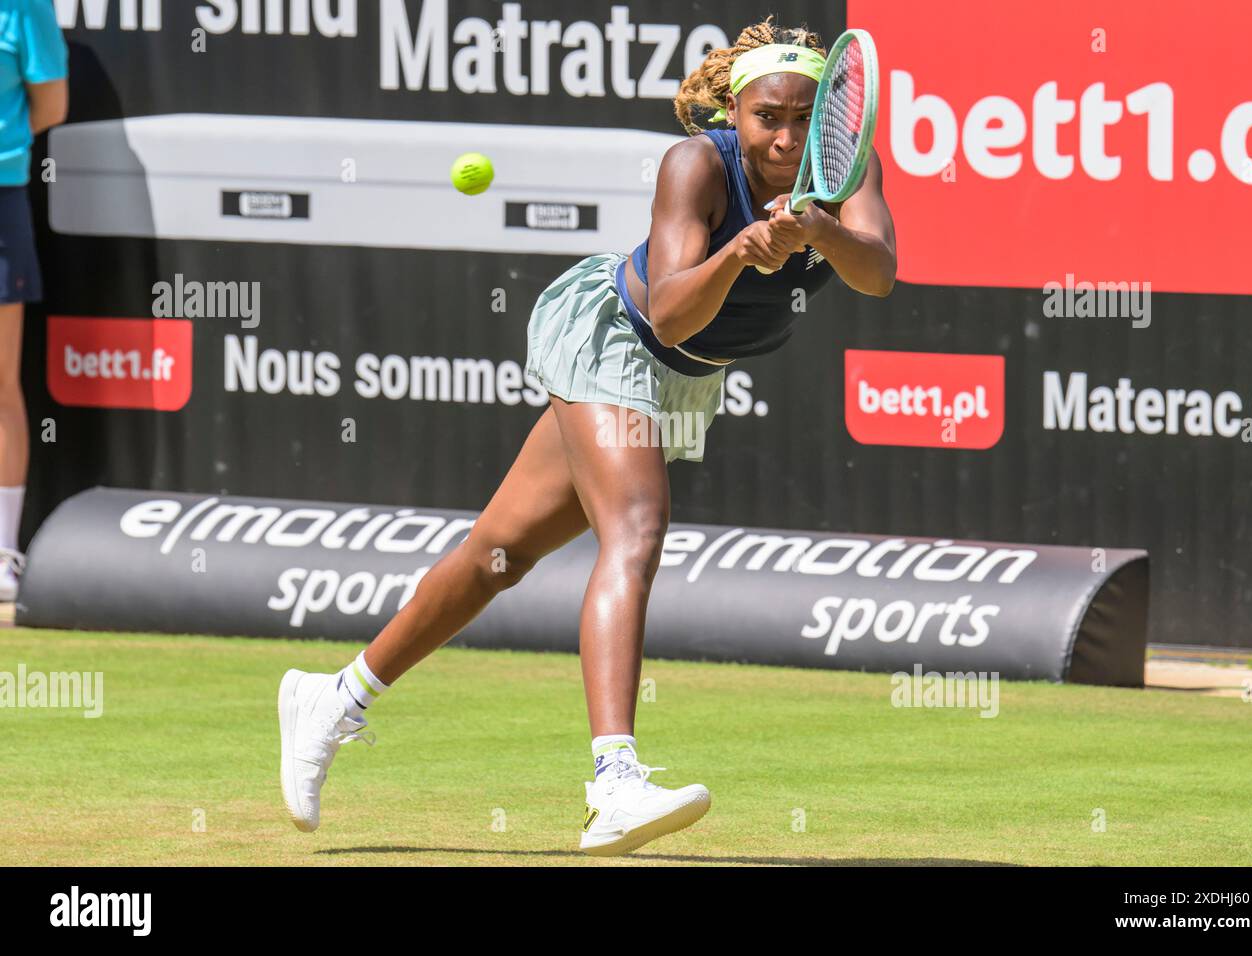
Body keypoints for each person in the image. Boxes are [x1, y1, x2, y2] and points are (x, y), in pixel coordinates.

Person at [278, 15, 896, 856]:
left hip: (686, 379)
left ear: (825, 112)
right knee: (636, 528)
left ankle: (335, 698)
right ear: (735, 114)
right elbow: (672, 312)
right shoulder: (696, 164)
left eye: (801, 117)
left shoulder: (847, 166)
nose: (786, 136)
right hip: (618, 339)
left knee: (499, 554)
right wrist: (742, 252)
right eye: (766, 117)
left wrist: (820, 228)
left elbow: (879, 272)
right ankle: (614, 782)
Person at [0, 1, 67, 602]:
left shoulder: (25, 6)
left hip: (3, 196)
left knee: (0, 383)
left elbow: (51, 104)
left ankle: (1, 551)